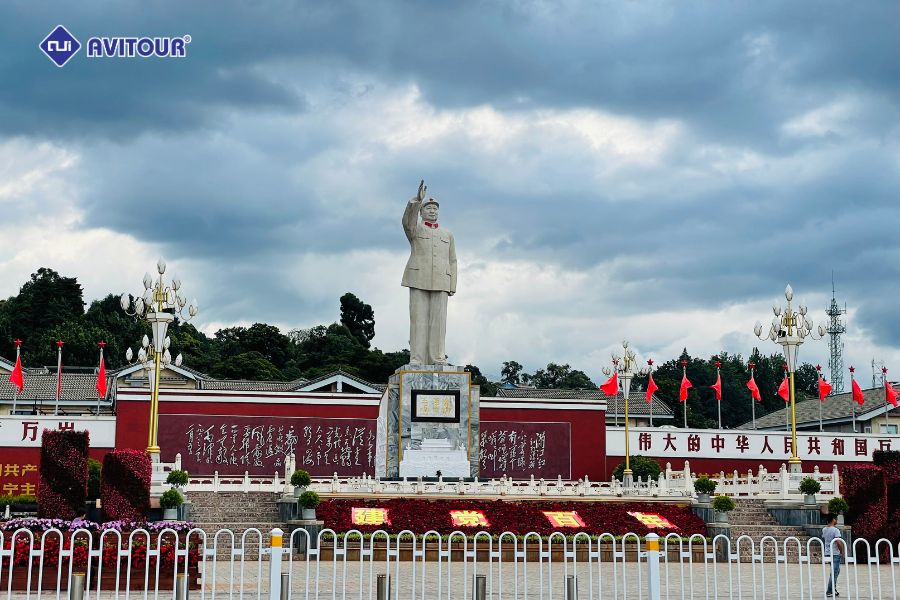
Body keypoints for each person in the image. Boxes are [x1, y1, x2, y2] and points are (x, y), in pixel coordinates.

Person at [402, 180, 457, 365]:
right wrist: (417, 201)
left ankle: (438, 357)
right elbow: (407, 222)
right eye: (428, 208)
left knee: (439, 323)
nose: (432, 211)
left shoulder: (447, 234)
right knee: (418, 320)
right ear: (421, 212)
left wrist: (452, 285)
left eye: (435, 208)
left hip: (442, 280)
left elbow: (453, 260)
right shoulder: (415, 229)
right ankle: (416, 358)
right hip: (418, 277)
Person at [823, 513, 842, 596]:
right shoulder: (835, 530)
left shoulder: (824, 529)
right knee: (834, 572)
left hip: (827, 552)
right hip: (834, 553)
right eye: (836, 519)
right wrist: (841, 550)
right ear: (833, 519)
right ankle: (830, 591)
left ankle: (833, 589)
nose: (837, 521)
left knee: (835, 571)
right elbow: (838, 542)